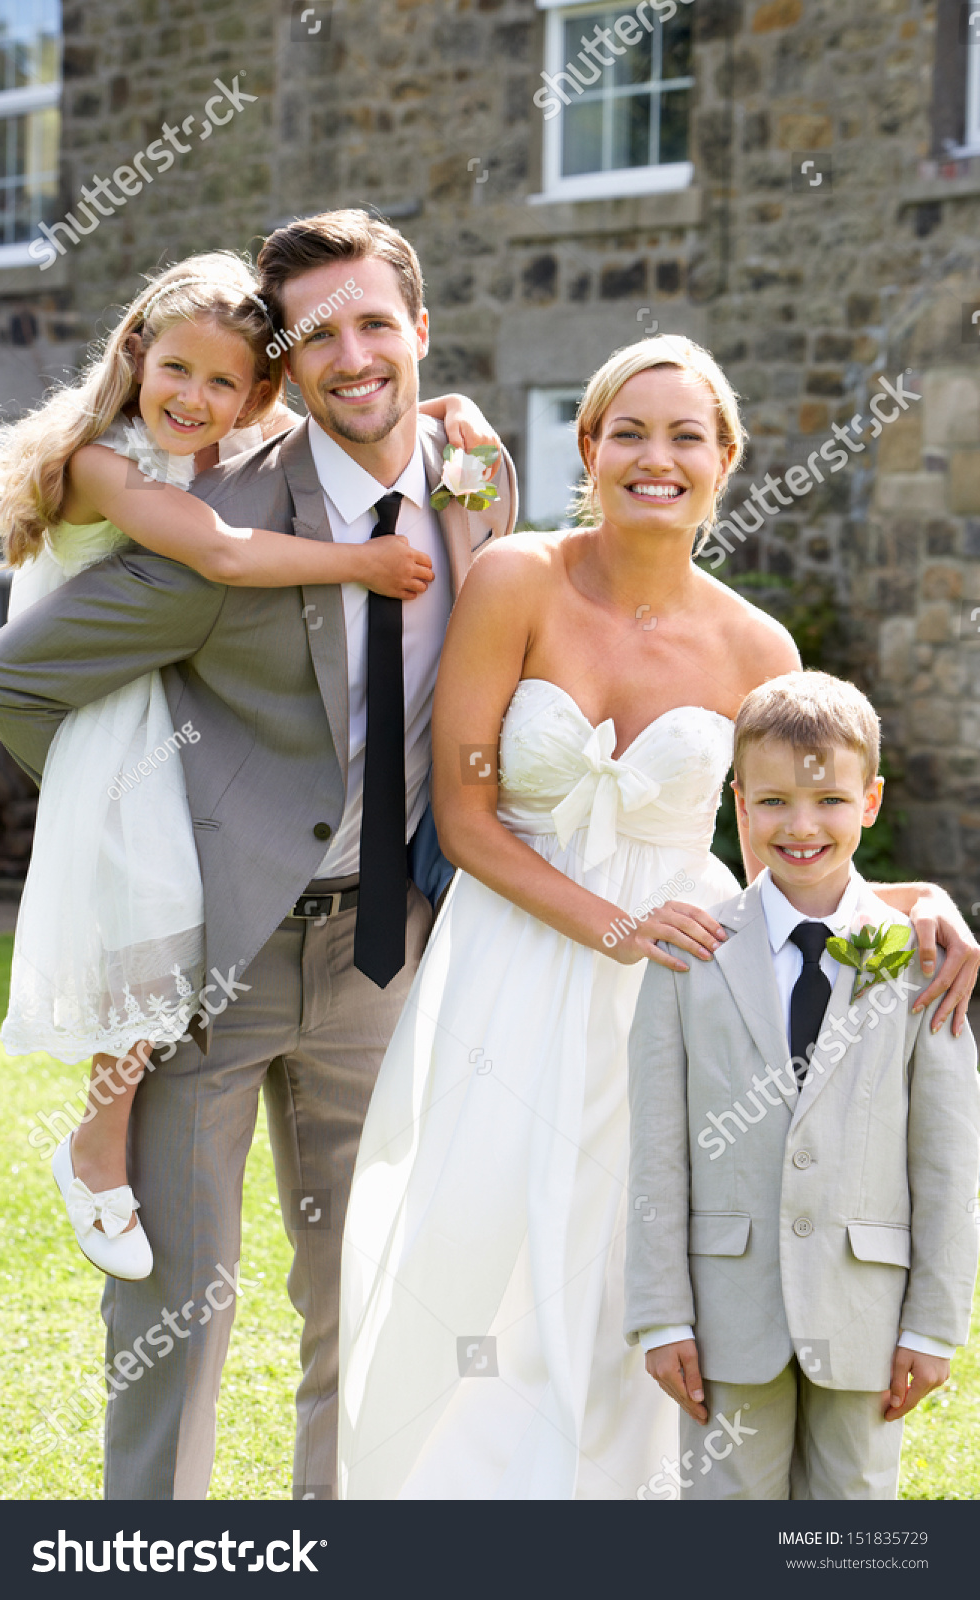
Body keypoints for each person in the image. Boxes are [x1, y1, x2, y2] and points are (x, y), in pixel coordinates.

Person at [338, 335, 980, 1500]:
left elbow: (784, 852)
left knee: (638, 1251)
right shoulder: (515, 578)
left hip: (684, 981)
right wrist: (610, 926)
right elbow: (465, 812)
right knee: (478, 1245)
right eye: (628, 430)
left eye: (686, 435)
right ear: (586, 448)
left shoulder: (756, 646)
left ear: (724, 460)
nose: (655, 456)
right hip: (512, 957)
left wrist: (913, 897)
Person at [0, 210, 517, 1499]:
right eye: (318, 332)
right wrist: (138, 833)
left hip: (384, 956)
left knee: (363, 1296)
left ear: (419, 332)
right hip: (209, 964)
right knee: (178, 1310)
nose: (354, 354)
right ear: (290, 362)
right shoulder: (212, 529)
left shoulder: (471, 490)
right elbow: (15, 680)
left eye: (374, 322)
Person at [624, 670, 980, 1500]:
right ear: (738, 806)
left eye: (826, 800)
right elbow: (654, 1151)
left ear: (870, 800)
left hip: (865, 1312)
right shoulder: (691, 955)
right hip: (723, 1313)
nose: (801, 824)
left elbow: (948, 1161)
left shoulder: (924, 958)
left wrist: (933, 1324)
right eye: (774, 801)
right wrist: (662, 1314)